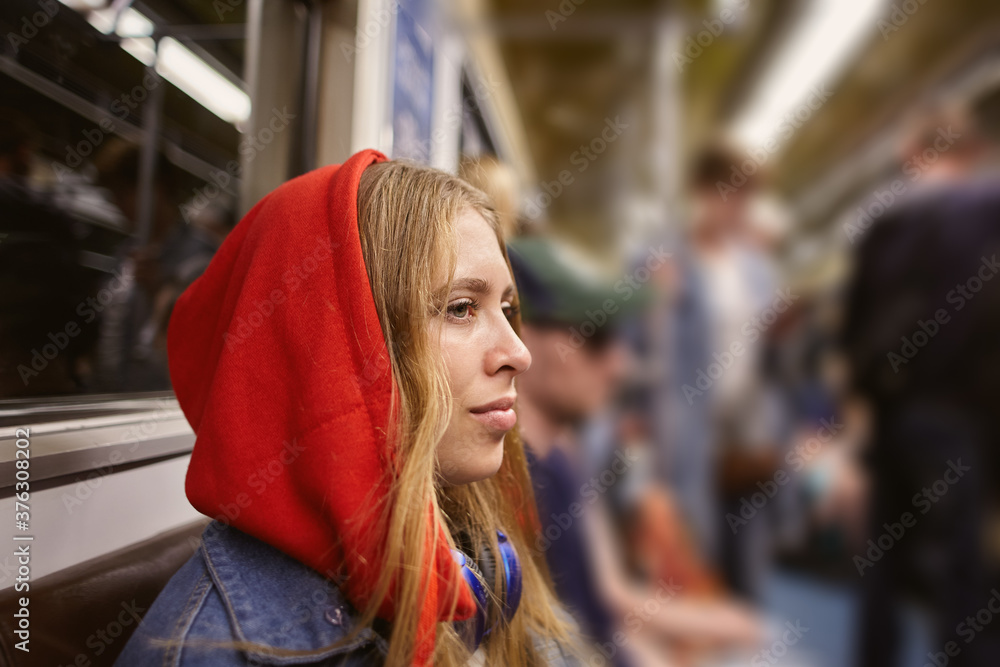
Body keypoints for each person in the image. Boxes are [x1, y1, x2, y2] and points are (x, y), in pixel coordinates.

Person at [114, 149, 583, 666]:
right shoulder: (209, 654)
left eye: (508, 308)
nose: (519, 352)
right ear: (335, 360)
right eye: (461, 308)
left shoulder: (476, 556)